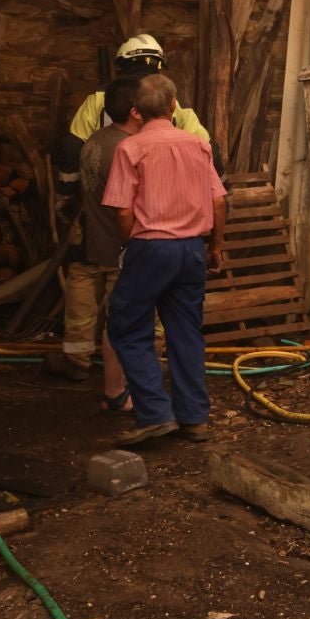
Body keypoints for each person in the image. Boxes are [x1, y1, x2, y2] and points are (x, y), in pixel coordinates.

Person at [101, 72, 227, 446]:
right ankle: (193, 418)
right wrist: (215, 247)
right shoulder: (198, 146)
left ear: (136, 111)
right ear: (174, 106)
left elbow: (123, 212)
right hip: (191, 248)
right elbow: (218, 201)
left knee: (126, 325)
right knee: (186, 331)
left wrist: (129, 245)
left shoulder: (131, 149)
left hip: (151, 246)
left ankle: (155, 413)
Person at [44, 77, 145, 411]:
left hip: (88, 236)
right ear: (134, 111)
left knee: (82, 291)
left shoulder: (93, 141)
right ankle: (124, 378)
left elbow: (77, 188)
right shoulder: (129, 149)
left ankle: (77, 359)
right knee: (123, 312)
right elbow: (130, 204)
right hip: (119, 242)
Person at [57, 34, 212, 191]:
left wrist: (68, 192)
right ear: (158, 68)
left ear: (121, 67)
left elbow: (72, 145)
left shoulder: (98, 99)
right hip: (161, 186)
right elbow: (207, 147)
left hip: (107, 189)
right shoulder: (173, 103)